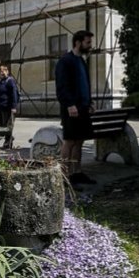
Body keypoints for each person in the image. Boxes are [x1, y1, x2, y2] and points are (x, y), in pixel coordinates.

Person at [55, 30, 96, 186]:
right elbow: (62, 86)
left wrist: (90, 102)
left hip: (83, 107)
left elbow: (85, 84)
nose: (90, 45)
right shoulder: (65, 61)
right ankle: (64, 176)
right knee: (69, 141)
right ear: (78, 43)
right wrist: (70, 104)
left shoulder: (82, 61)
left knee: (79, 141)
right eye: (87, 42)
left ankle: (76, 173)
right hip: (71, 109)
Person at [0, 65, 19, 149]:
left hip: (8, 108)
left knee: (8, 126)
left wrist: (14, 107)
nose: (1, 73)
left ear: (7, 71)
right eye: (0, 71)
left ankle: (8, 143)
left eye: (3, 71)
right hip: (0, 107)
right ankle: (9, 138)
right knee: (2, 125)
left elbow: (14, 94)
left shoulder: (10, 81)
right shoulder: (0, 81)